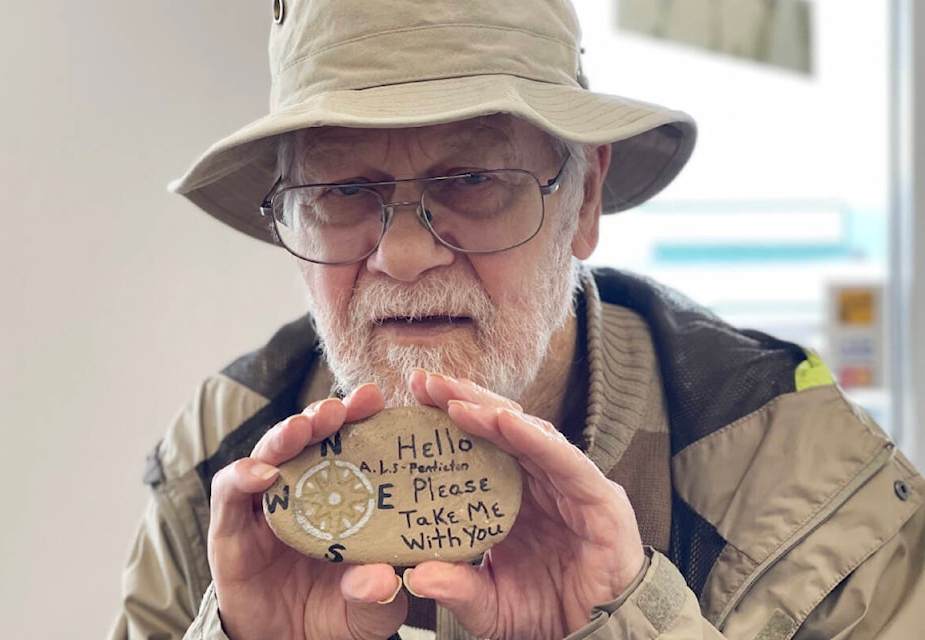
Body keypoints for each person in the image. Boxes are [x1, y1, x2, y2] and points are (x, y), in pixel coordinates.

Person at [110, 1, 925, 638]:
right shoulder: (218, 463)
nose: (400, 255)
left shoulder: (805, 487)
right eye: (340, 193)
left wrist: (630, 627)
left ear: (585, 200)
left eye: (472, 178)